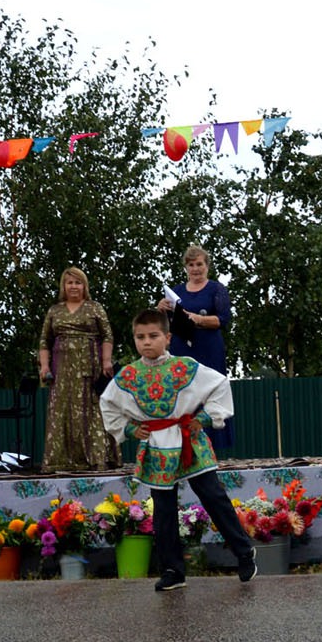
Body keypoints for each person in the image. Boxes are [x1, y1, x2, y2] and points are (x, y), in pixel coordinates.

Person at [99, 308, 259, 592]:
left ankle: (244, 552)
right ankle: (173, 570)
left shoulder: (185, 367)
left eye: (153, 335)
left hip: (188, 440)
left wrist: (205, 418)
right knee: (163, 509)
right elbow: (108, 402)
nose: (146, 342)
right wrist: (129, 429)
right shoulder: (129, 375)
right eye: (140, 337)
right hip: (157, 445)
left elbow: (220, 384)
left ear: (168, 337)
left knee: (213, 496)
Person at [37, 266, 116, 471]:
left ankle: (97, 458)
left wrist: (107, 360)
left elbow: (107, 335)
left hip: (91, 367)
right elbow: (45, 340)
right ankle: (60, 461)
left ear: (84, 286)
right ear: (64, 286)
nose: (74, 286)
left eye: (78, 282)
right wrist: (44, 366)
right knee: (61, 411)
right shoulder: (55, 310)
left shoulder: (94, 307)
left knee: (92, 409)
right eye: (70, 282)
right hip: (61, 371)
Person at [159, 244, 235, 450]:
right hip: (181, 349)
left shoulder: (216, 289)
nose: (195, 269)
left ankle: (214, 445)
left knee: (211, 391)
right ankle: (181, 444)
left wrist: (198, 319)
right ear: (186, 268)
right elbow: (165, 325)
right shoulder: (176, 292)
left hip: (208, 348)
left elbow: (223, 319)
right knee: (183, 393)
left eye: (199, 264)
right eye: (191, 265)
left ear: (207, 266)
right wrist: (160, 309)